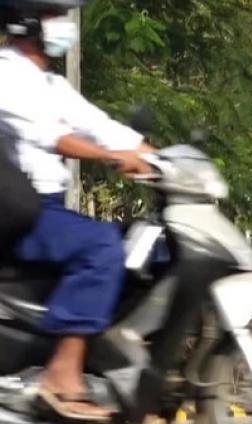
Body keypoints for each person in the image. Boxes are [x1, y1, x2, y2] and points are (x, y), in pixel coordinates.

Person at [0, 0, 153, 420]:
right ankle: (60, 377)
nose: (65, 25)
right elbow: (51, 136)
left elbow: (100, 125)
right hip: (22, 212)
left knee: (139, 244)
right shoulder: (6, 75)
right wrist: (112, 157)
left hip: (46, 211)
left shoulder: (48, 83)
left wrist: (163, 160)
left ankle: (106, 360)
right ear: (27, 22)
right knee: (100, 246)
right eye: (54, 16)